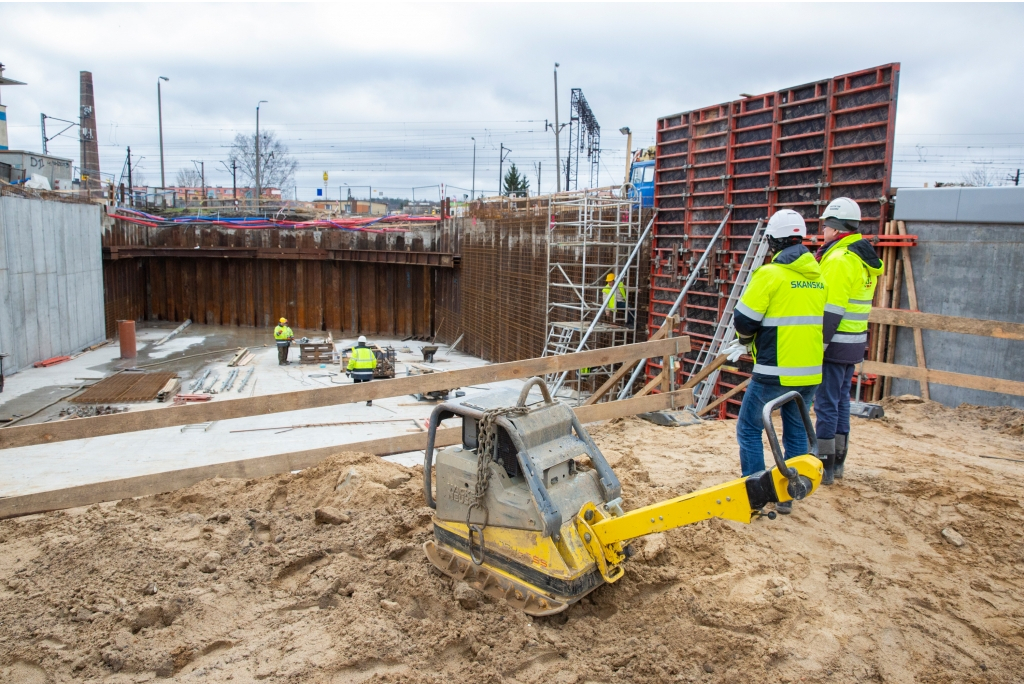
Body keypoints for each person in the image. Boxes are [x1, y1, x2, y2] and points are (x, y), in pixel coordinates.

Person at [723, 209, 827, 514]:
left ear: (773, 241)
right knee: (795, 431)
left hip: (774, 372)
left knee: (748, 429)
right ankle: (788, 495)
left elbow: (744, 319)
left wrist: (745, 341)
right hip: (809, 374)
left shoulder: (770, 274)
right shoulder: (817, 277)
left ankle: (755, 493)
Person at [814, 197, 883, 484]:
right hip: (853, 343)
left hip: (836, 343)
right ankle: (838, 462)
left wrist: (818, 345)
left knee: (826, 404)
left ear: (836, 228)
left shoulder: (840, 260)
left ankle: (824, 464)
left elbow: (831, 309)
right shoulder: (863, 259)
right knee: (840, 401)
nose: (823, 231)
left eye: (826, 226)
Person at [347, 335, 378, 406]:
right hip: (367, 372)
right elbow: (374, 361)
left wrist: (348, 370)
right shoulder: (369, 351)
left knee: (356, 385)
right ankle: (369, 401)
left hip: (357, 373)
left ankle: (356, 398)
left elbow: (352, 362)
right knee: (367, 387)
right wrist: (372, 368)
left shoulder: (355, 351)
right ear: (365, 343)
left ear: (358, 343)